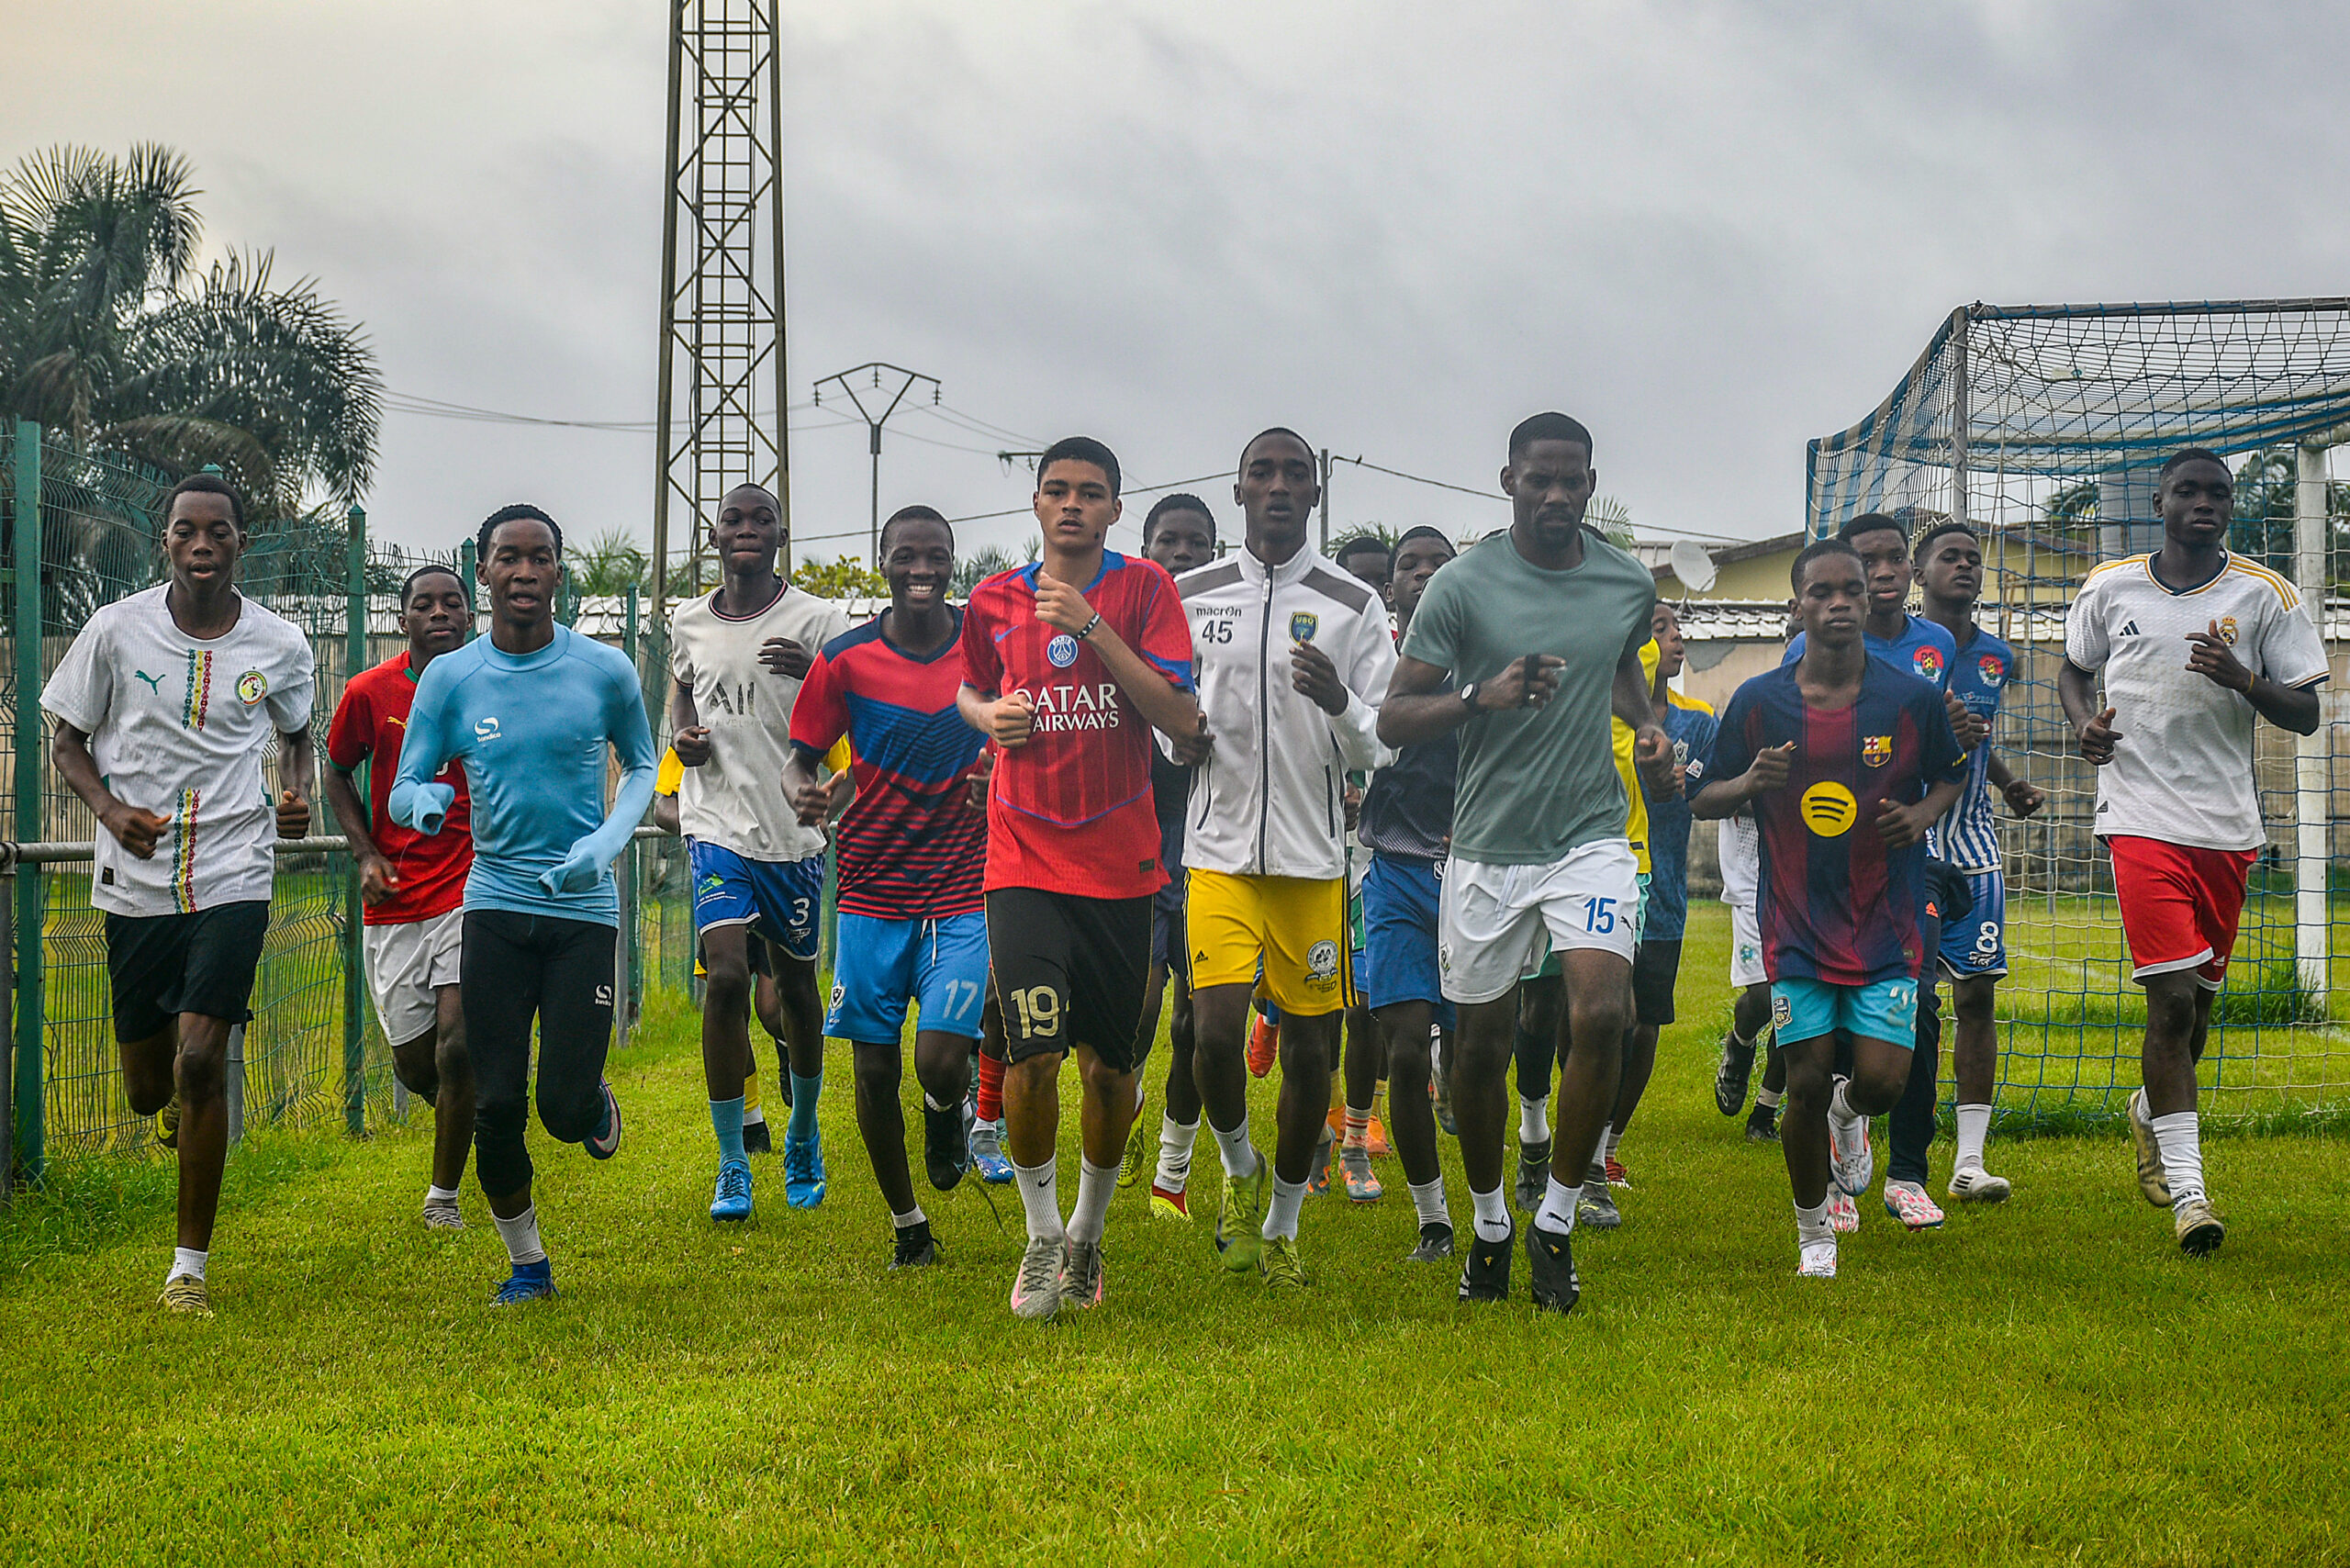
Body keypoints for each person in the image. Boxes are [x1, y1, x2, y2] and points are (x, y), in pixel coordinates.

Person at [1378, 412, 1670, 1314]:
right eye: (1537, 480)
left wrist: (1648, 722)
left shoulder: (1623, 580)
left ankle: (1553, 1222)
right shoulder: (1461, 587)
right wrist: (1482, 696)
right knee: (1480, 1049)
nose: (1554, 496)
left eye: (1570, 481)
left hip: (1589, 836)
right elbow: (1394, 717)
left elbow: (1620, 669)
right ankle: (1491, 1224)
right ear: (1507, 480)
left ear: (1588, 484)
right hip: (1488, 845)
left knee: (1602, 1011)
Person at [44, 474, 317, 1317]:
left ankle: (188, 1269)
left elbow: (297, 730)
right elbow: (65, 738)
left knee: (204, 1059)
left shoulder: (281, 643)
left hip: (236, 864)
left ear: (243, 542)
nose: (202, 546)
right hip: (135, 877)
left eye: (219, 533)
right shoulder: (115, 629)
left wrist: (296, 791)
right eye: (186, 532)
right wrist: (110, 810)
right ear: (164, 541)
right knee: (147, 1087)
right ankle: (164, 1111)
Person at [2059, 449, 2325, 1256]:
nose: (2202, 503)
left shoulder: (2263, 595)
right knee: (2169, 1001)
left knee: (2197, 1010)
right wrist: (2083, 724)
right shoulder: (2111, 587)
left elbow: (2306, 714)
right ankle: (2191, 1194)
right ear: (2160, 501)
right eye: (2188, 491)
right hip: (2137, 816)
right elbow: (2073, 670)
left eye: (2217, 493)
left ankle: (2149, 1112)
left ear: (2230, 506)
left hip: (2226, 828)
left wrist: (2244, 680)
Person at [957, 437, 1202, 1319]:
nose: (1072, 506)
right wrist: (991, 715)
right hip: (1022, 856)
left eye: (1090, 494)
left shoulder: (1146, 591)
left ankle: (1089, 1237)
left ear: (1114, 508)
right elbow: (967, 689)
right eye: (1057, 491)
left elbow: (1180, 716)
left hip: (1123, 865)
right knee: (1033, 1054)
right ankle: (1040, 1235)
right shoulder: (992, 599)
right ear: (1034, 504)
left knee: (1108, 1070)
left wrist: (1090, 627)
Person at [389, 505, 657, 1305]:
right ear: (485, 570)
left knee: (563, 1110)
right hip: (496, 907)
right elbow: (403, 785)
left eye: (540, 558)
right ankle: (528, 1265)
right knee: (495, 1102)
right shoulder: (450, 677)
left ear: (559, 573)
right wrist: (425, 805)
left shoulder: (604, 670)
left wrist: (607, 843)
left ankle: (590, 1099)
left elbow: (643, 764)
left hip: (583, 912)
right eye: (510, 558)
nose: (525, 573)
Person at [1693, 539, 1966, 1279]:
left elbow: (1950, 775)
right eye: (1822, 592)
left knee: (1879, 1082)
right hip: (1796, 924)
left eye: (1852, 590)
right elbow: (1702, 796)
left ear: (1875, 600)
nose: (1840, 602)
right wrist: (1749, 780)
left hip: (1889, 922)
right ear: (1798, 606)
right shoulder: (1759, 701)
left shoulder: (1908, 697)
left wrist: (1922, 816)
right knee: (1805, 1079)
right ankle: (1815, 1233)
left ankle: (1853, 1119)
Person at [1175, 429, 1397, 1287]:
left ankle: (1284, 1224)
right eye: (1260, 473)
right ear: (1236, 490)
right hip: (1219, 855)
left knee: (1311, 1054)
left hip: (1313, 866)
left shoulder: (1352, 603)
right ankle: (1238, 1168)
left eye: (1294, 475)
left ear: (1314, 494)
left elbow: (1382, 744)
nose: (1277, 486)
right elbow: (1168, 715)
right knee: (1213, 1030)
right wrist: (1177, 744)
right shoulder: (1191, 594)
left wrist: (1340, 703)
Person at [785, 506, 990, 1271]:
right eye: (906, 557)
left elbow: (1021, 728)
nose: (921, 570)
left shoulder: (985, 649)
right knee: (873, 1069)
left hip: (962, 891)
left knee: (937, 1057)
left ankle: (946, 1109)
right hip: (871, 893)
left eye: (934, 556)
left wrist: (994, 772)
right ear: (884, 563)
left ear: (951, 563)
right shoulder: (844, 659)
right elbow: (798, 759)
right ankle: (908, 1224)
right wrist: (801, 793)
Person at [1783, 511, 1968, 1233]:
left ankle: (1907, 1169)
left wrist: (1924, 813)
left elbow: (1948, 753)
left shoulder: (1935, 651)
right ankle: (1828, 1185)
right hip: (1818, 877)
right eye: (1869, 562)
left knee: (1918, 1009)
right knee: (1821, 1033)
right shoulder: (1799, 658)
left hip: (1906, 869)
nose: (1880, 575)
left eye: (1892, 561)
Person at [669, 483, 849, 1222]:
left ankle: (803, 1130)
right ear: (714, 537)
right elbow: (683, 690)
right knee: (727, 978)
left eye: (761, 519)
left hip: (792, 831)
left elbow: (858, 702)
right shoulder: (686, 619)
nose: (747, 529)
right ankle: (731, 1163)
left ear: (781, 534)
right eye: (733, 519)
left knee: (798, 994)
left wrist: (817, 671)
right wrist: (684, 737)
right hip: (714, 822)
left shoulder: (820, 619)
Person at [324, 565, 476, 1229]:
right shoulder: (369, 692)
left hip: (476, 882)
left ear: (471, 616)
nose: (439, 612)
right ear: (402, 619)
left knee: (458, 1043)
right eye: (425, 604)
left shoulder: (495, 683)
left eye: (452, 602)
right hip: (395, 900)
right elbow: (335, 771)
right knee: (419, 1068)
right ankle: (490, 1098)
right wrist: (365, 851)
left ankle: (442, 1198)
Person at [1914, 521, 2046, 1203]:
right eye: (1949, 557)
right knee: (1903, 999)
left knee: (1976, 994)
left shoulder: (1997, 655)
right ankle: (1855, 1122)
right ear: (1919, 572)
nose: (1965, 567)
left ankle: (1969, 1162)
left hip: (1975, 846)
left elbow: (1977, 734)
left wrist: (2005, 781)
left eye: (1973, 559)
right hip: (1909, 841)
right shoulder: (1899, 648)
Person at [1512, 629, 1657, 1231]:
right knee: (1539, 1009)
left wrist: (1663, 750)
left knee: (1605, 1014)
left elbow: (1654, 716)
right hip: (1536, 851)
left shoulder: (1631, 643)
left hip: (1621, 855)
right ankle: (1533, 1132)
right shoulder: (1526, 637)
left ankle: (1591, 1169)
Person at [1359, 525, 1461, 1259]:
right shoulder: (1371, 664)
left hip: (1479, 876)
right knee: (1399, 1048)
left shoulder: (1488, 663)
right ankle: (1433, 1219)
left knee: (1475, 1056)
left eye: (1439, 566)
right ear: (1390, 588)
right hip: (1393, 871)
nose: (1423, 575)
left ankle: (1501, 1142)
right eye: (1409, 566)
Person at [1597, 601, 1716, 1210]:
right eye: (1656, 628)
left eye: (1675, 628)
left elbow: (1720, 789)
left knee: (1644, 1023)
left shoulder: (1698, 720)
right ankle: (1564, 1133)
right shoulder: (1601, 715)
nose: (1672, 639)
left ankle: (1608, 1144)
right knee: (1597, 1016)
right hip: (1599, 875)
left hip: (1663, 888)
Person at [1122, 493, 1219, 1218]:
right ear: (1145, 549)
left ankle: (1172, 1173)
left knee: (1198, 1021)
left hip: (1214, 852)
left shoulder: (1232, 628)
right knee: (1139, 1012)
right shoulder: (1120, 632)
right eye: (1168, 543)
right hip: (1139, 850)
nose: (1181, 555)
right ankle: (1123, 1102)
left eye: (1195, 544)